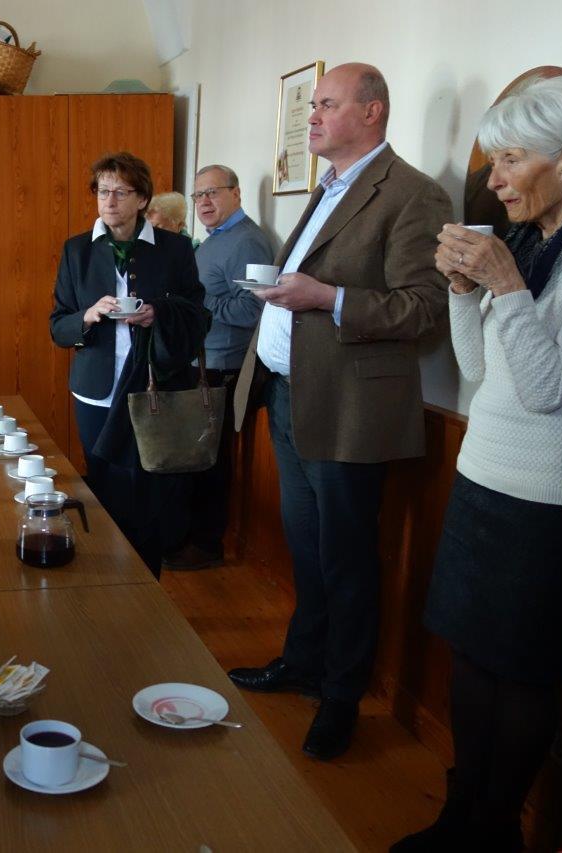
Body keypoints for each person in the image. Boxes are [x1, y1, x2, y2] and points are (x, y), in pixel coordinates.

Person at [395, 75, 562, 852]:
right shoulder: (527, 243)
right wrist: (466, 290)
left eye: (511, 160)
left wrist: (506, 286)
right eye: (493, 161)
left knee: (523, 672)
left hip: (546, 499)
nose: (493, 180)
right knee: (470, 656)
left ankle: (495, 831)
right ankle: (460, 815)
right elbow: (480, 371)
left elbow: (548, 388)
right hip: (482, 479)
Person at [227, 63, 451, 760]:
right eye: (314, 105)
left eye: (327, 104)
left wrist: (326, 298)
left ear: (372, 112)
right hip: (289, 394)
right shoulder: (328, 186)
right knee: (309, 549)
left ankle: (342, 697)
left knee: (347, 559)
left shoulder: (413, 194)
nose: (313, 117)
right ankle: (303, 662)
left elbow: (425, 308)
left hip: (350, 407)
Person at [50, 151, 208, 576]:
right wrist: (88, 315)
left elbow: (198, 315)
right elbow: (58, 327)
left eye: (121, 192)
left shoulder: (175, 249)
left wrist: (158, 313)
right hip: (96, 393)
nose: (110, 200)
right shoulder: (77, 250)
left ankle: (145, 585)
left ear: (142, 199)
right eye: (103, 191)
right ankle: (106, 585)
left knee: (150, 493)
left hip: (154, 389)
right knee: (103, 487)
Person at [163, 164, 272, 570]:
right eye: (198, 195)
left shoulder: (246, 241)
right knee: (193, 459)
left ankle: (206, 545)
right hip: (197, 364)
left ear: (236, 193)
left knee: (208, 461)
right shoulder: (216, 239)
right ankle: (186, 539)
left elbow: (252, 309)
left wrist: (196, 301)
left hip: (220, 369)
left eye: (213, 192)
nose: (204, 202)